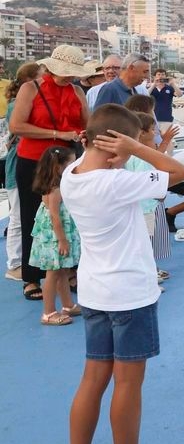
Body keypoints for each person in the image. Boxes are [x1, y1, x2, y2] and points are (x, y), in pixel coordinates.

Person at [59, 103, 184, 444]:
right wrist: (136, 148)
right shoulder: (115, 183)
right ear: (117, 144)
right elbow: (178, 173)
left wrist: (125, 151)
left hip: (96, 292)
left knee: (92, 378)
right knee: (128, 383)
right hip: (129, 294)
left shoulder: (72, 176)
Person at [8, 45, 90, 301]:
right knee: (33, 216)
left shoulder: (77, 90)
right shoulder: (30, 88)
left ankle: (70, 269)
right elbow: (17, 126)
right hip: (33, 161)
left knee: (71, 214)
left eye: (72, 73)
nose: (69, 77)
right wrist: (57, 134)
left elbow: (86, 123)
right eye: (65, 72)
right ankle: (31, 277)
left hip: (66, 162)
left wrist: (84, 135)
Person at [29, 145, 82, 325]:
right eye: (71, 162)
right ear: (59, 167)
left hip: (56, 234)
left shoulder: (58, 184)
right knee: (52, 273)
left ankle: (68, 305)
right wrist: (62, 240)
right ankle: (48, 312)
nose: (75, 165)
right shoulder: (55, 189)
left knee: (62, 271)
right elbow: (55, 217)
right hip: (55, 236)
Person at [4, 62, 41, 281]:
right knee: (17, 218)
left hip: (25, 164)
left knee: (24, 216)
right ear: (29, 81)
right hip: (18, 165)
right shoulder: (16, 105)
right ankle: (14, 264)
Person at [127, 113, 171, 283]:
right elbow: (145, 181)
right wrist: (159, 194)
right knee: (144, 244)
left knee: (142, 244)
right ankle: (147, 277)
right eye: (153, 130)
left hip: (142, 206)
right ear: (142, 133)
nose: (155, 133)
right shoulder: (142, 157)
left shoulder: (132, 155)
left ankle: (148, 272)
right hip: (146, 207)